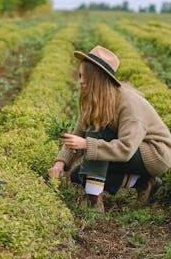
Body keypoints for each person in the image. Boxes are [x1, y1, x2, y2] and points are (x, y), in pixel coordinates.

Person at [48, 46, 171, 213]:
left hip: (154, 154)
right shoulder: (95, 100)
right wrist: (60, 164)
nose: (80, 81)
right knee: (79, 174)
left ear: (96, 78)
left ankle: (94, 203)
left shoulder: (128, 104)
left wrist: (86, 144)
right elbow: (78, 134)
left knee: (96, 133)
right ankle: (145, 183)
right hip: (130, 150)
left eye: (84, 76)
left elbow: (126, 149)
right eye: (79, 76)